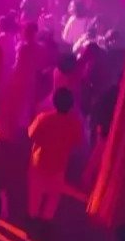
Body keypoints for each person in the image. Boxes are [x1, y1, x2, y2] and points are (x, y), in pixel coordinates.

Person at [27, 88, 84, 223]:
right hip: (59, 164)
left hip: (39, 160)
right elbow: (78, 142)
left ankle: (32, 217)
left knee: (35, 192)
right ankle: (46, 219)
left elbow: (31, 134)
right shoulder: (74, 123)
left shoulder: (44, 118)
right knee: (53, 195)